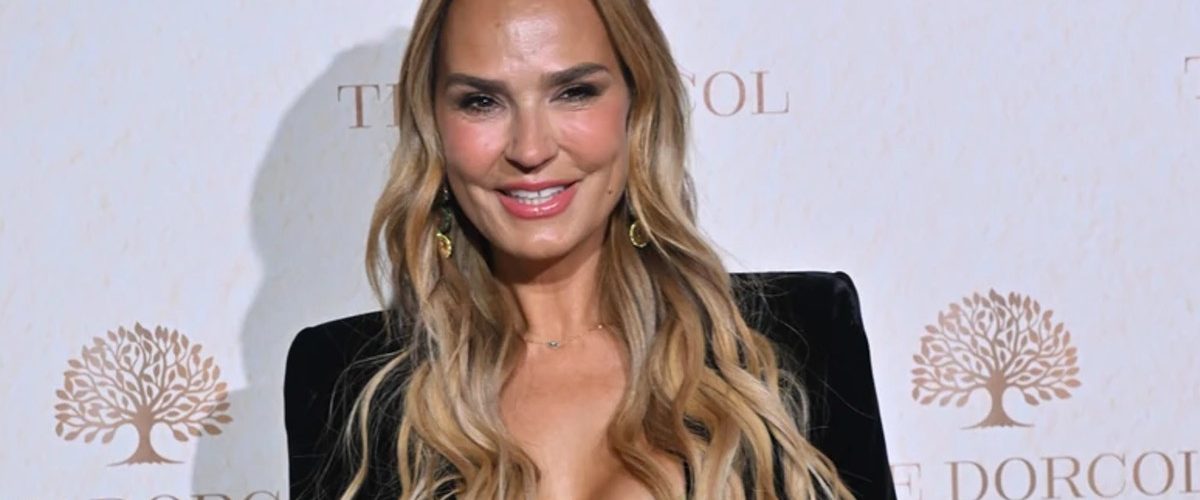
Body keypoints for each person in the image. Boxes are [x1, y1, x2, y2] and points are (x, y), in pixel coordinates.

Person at [285, 0, 894, 498]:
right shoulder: (347, 382)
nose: (530, 148)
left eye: (574, 91)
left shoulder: (797, 337)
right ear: (434, 129)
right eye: (481, 101)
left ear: (638, 105)